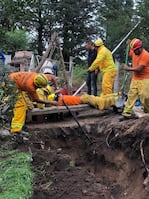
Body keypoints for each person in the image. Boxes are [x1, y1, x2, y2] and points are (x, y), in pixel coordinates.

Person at [119, 38, 149, 121]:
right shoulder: (133, 51)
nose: (134, 52)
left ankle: (147, 110)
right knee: (131, 96)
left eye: (135, 50)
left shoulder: (145, 55)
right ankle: (126, 113)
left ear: (140, 48)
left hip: (145, 78)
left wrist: (128, 68)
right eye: (133, 50)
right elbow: (129, 53)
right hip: (135, 78)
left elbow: (139, 68)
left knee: (145, 97)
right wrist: (129, 44)